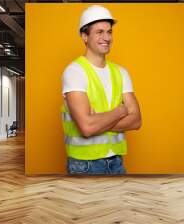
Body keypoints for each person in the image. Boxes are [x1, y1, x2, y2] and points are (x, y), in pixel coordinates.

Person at [61, 5, 142, 175]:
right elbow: (87, 127)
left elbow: (136, 121)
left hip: (117, 162)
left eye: (109, 31)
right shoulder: (75, 71)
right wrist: (121, 111)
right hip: (84, 164)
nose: (107, 37)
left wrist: (98, 119)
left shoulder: (121, 72)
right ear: (85, 36)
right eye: (99, 32)